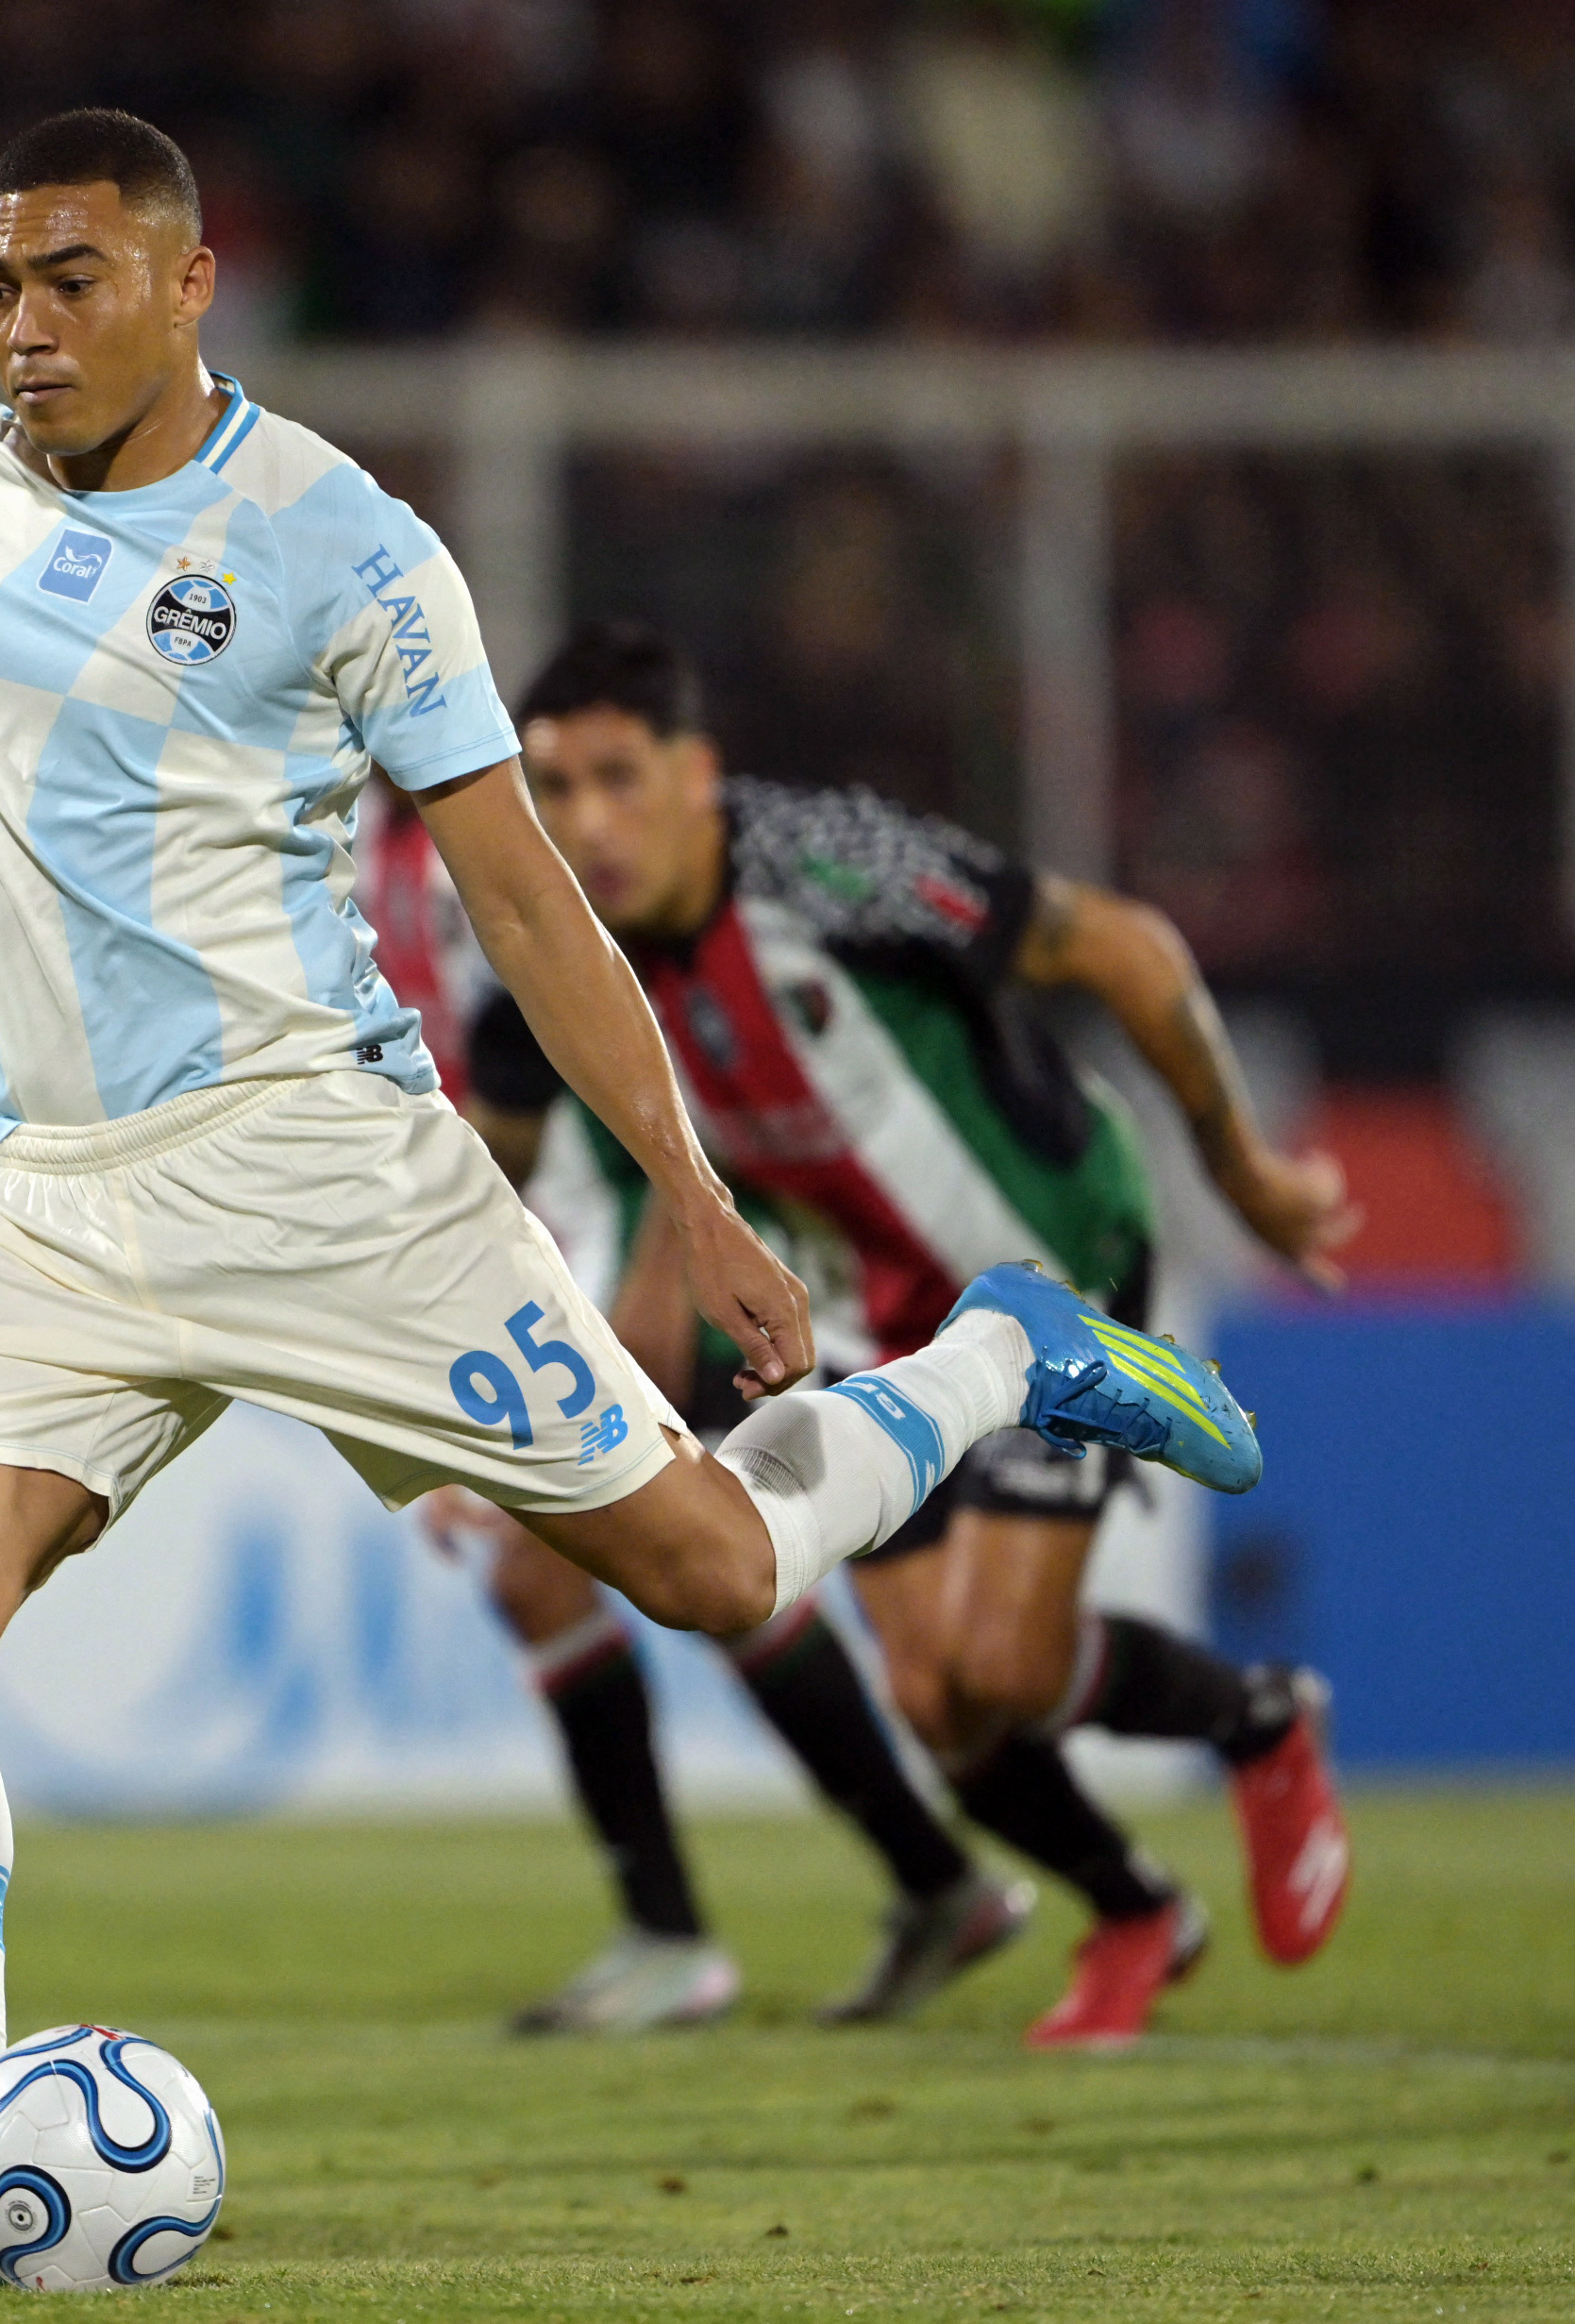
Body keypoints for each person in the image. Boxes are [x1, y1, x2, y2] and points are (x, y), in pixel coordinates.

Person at [0, 109, 1263, 2283]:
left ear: (192, 286)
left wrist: (682, 1189)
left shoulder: (342, 542)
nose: (21, 327)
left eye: (72, 278)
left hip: (318, 1167)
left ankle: (1001, 1349)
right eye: (0, 281)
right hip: (41, 1191)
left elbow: (523, 891)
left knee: (715, 1561)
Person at [447, 620, 1358, 2049]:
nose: (584, 825)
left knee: (992, 1664)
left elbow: (1116, 944)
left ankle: (1255, 1716)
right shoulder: (553, 961)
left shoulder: (823, 861)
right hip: (870, 1306)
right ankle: (1135, 1902)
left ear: (696, 771)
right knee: (939, 1692)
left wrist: (1239, 1170)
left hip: (1050, 1258)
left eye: (617, 778)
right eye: (550, 790)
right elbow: (498, 1179)